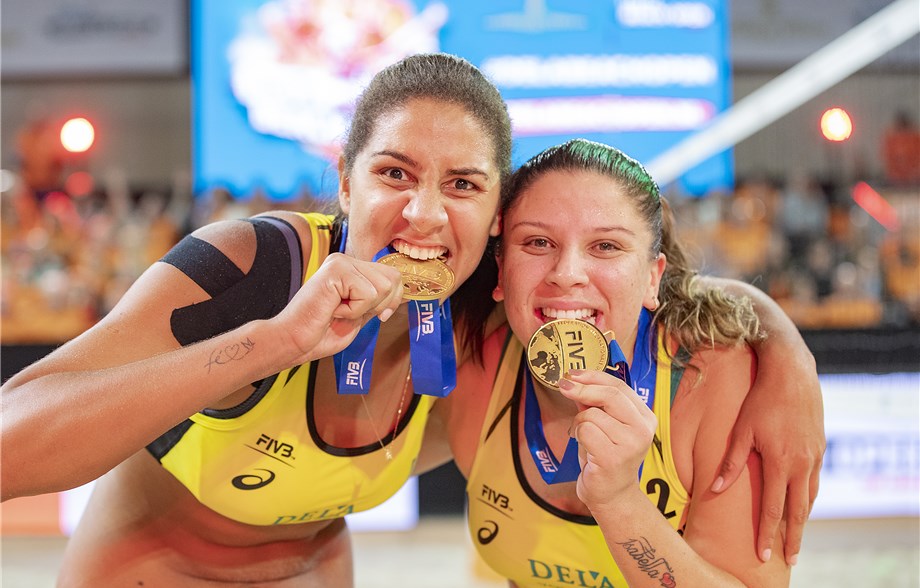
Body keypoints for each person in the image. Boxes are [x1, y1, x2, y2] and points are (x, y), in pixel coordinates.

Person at [2, 53, 818, 584]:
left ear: (496, 219)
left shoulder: (487, 315)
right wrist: (269, 345)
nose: (425, 214)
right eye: (395, 172)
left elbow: (620, 285)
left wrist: (784, 351)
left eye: (463, 185)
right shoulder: (255, 269)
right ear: (347, 183)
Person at [438, 138, 812, 586]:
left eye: (606, 247)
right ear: (501, 270)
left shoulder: (715, 379)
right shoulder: (472, 369)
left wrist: (618, 499)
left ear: (653, 277)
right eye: (538, 242)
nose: (567, 271)